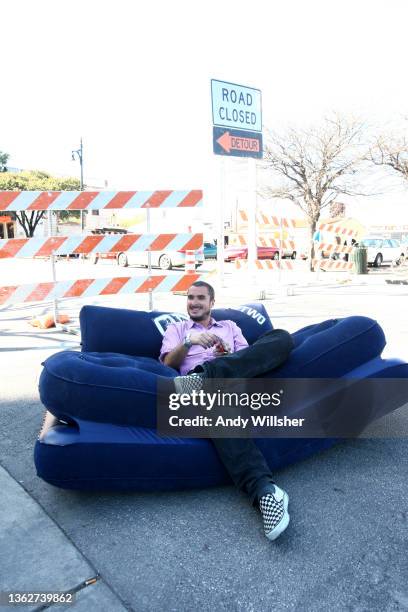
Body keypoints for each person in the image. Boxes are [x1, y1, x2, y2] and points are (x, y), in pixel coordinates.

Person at [160, 281, 294, 541]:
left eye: (200, 298)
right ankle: (266, 493)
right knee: (217, 404)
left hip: (234, 379)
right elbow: (168, 362)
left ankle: (206, 375)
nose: (194, 302)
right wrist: (190, 342)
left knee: (281, 337)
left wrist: (227, 353)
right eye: (190, 298)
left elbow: (251, 358)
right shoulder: (178, 329)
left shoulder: (230, 327)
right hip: (204, 395)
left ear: (212, 303)